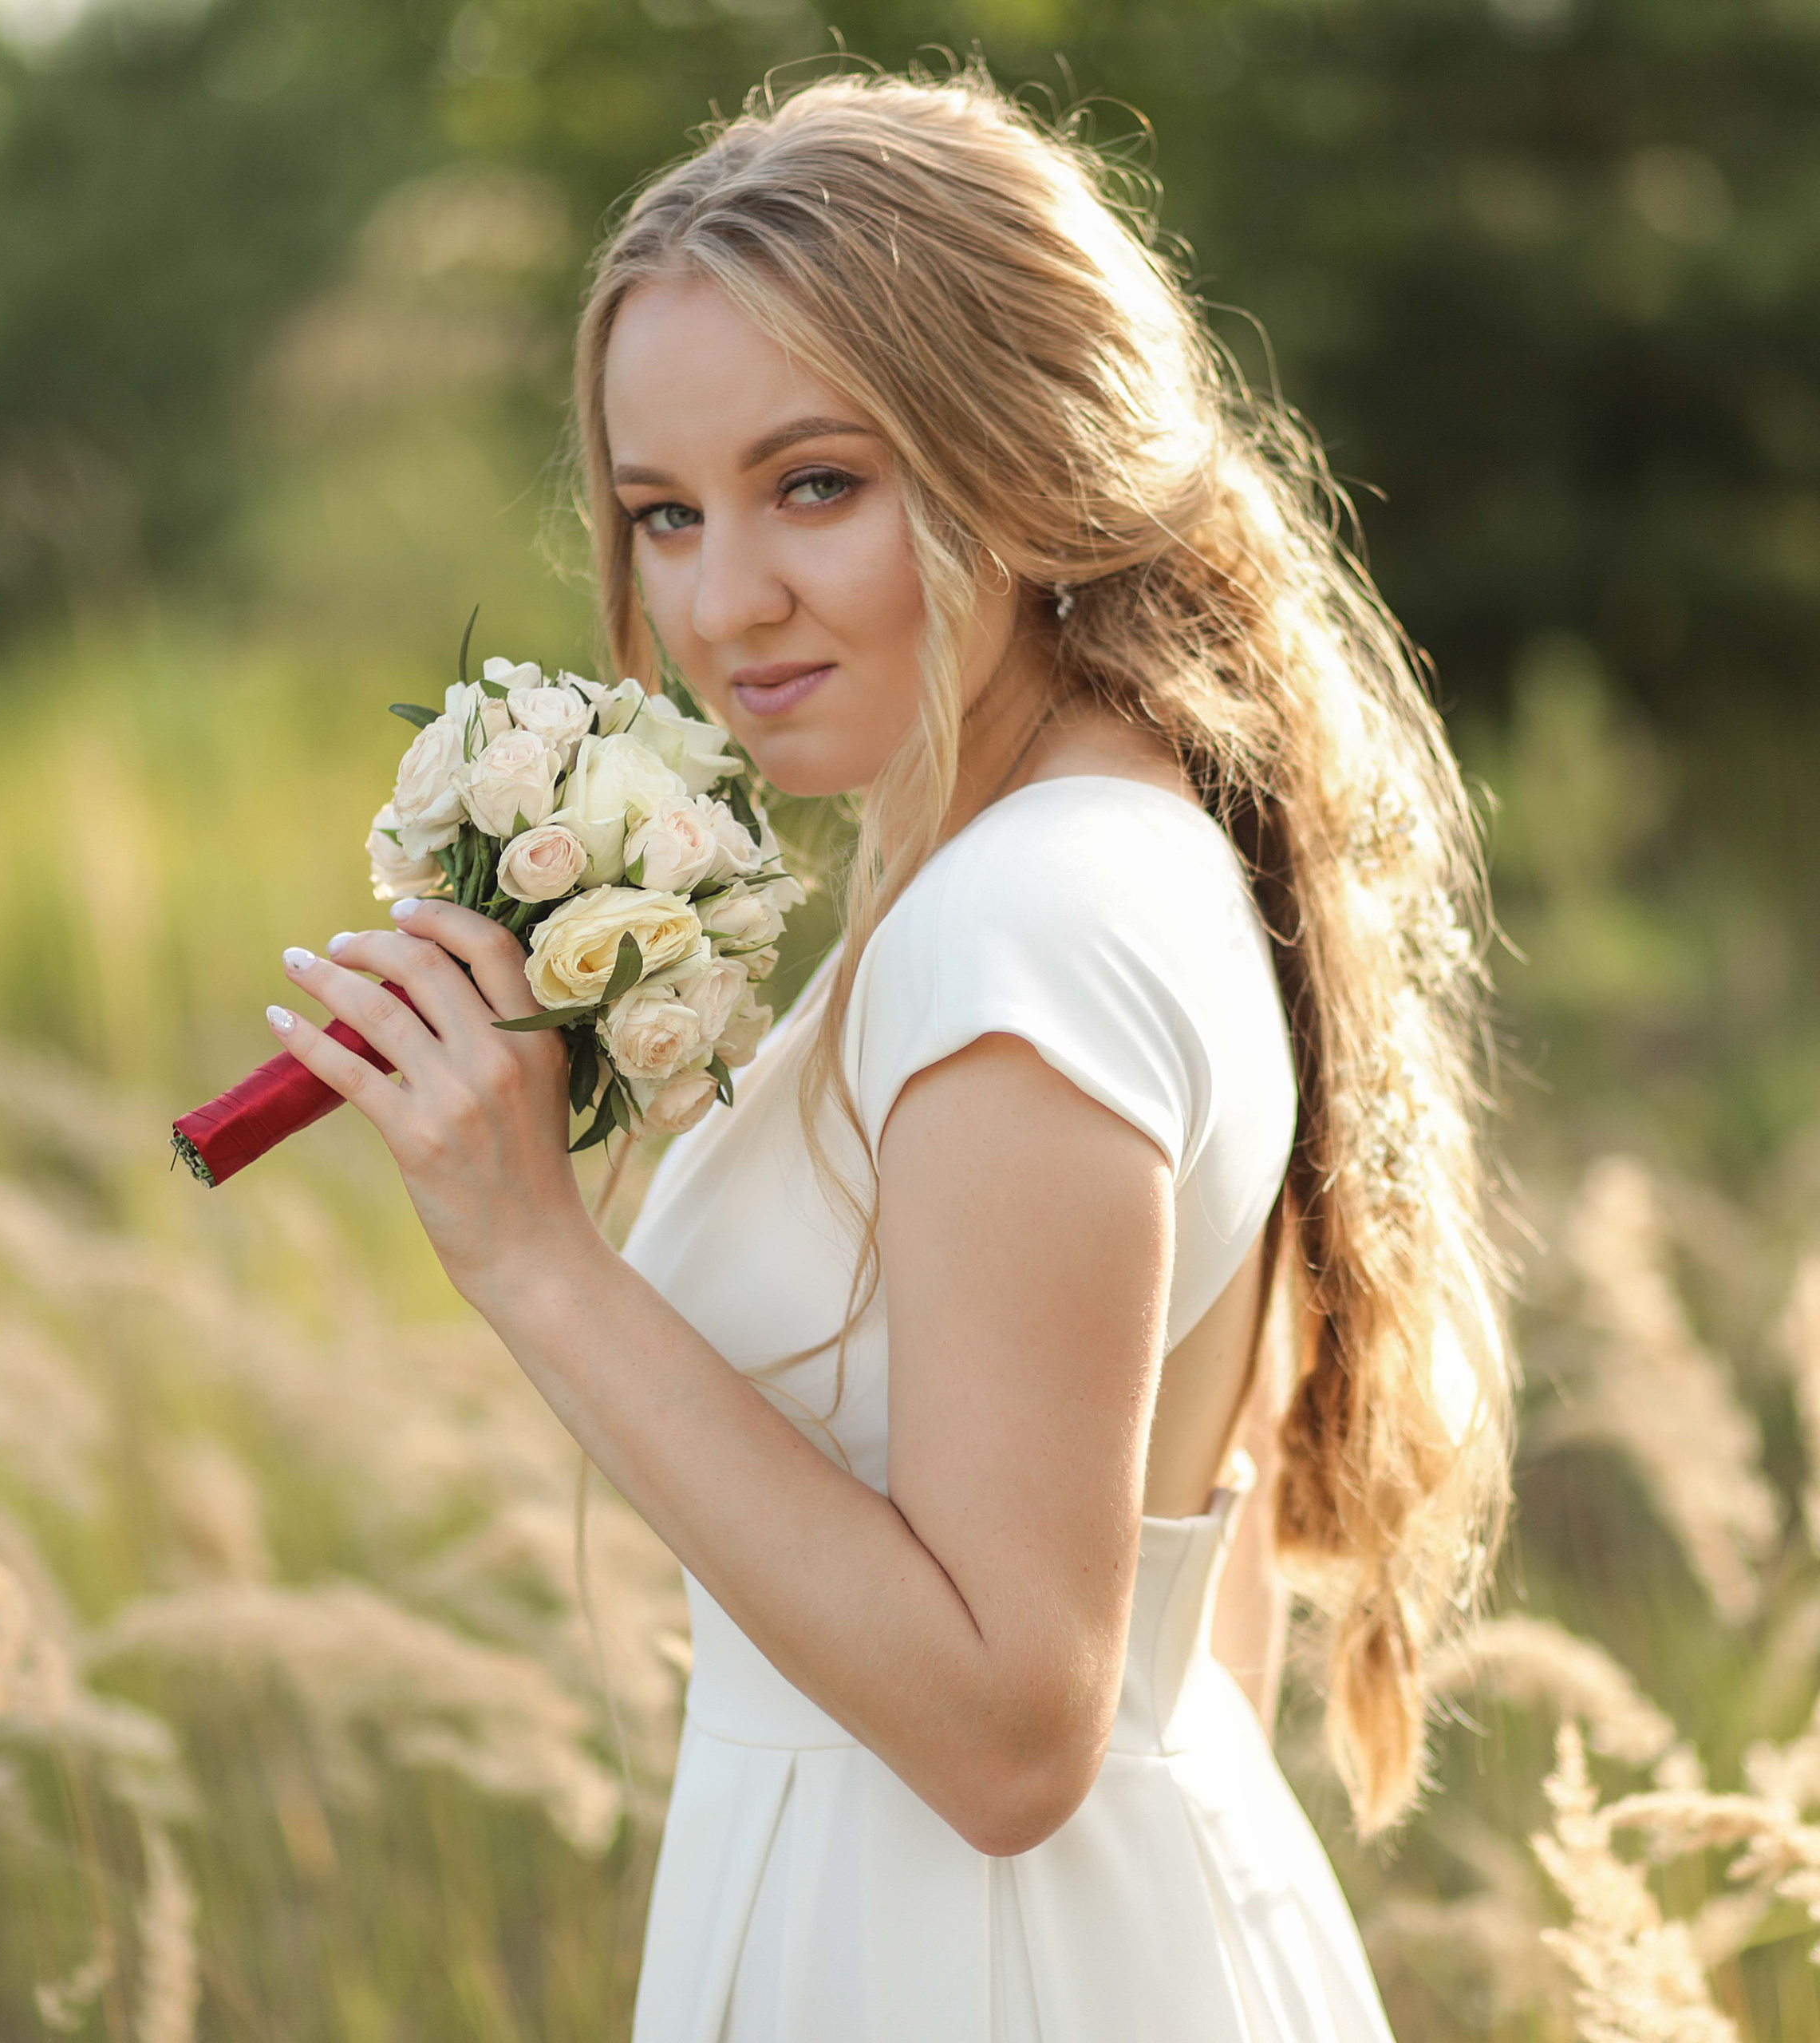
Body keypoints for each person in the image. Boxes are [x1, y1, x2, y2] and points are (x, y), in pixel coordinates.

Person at [266, 65, 1517, 2042]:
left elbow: (1016, 1727)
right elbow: (1211, 1583)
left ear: (1022, 453)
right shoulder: (1106, 852)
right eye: (662, 514)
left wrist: (532, 1254)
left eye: (814, 485)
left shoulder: (1023, 926)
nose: (718, 598)